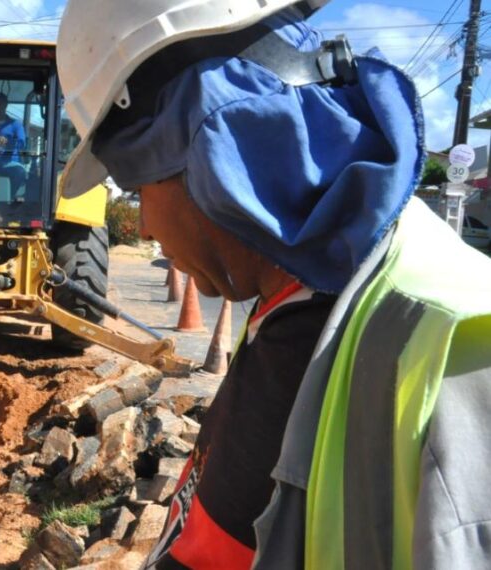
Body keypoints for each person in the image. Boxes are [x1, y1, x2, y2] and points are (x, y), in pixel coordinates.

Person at [56, 0, 491, 568]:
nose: (144, 228)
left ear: (202, 146)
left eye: (136, 188)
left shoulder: (457, 342)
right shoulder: (287, 296)